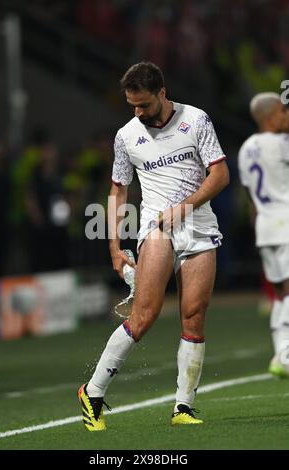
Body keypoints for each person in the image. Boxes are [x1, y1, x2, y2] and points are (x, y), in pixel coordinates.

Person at [78, 61, 229, 431]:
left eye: (144, 104)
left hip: (198, 224)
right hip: (157, 225)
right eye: (132, 105)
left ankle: (184, 407)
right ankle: (92, 393)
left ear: (162, 93)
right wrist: (114, 248)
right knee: (144, 315)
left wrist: (185, 208)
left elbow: (221, 174)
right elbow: (118, 191)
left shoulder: (196, 120)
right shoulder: (127, 136)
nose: (138, 112)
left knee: (194, 315)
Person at [238, 92, 289, 378]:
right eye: (284, 112)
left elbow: (250, 198)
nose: (287, 116)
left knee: (281, 295)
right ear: (271, 117)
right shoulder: (282, 144)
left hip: (265, 228)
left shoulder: (247, 148)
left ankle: (281, 353)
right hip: (286, 224)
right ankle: (284, 355)